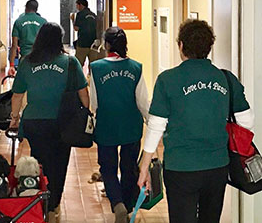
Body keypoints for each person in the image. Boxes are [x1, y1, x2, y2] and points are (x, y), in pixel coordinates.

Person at [138, 19, 254, 223]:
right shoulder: (226, 78)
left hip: (181, 169)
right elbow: (247, 121)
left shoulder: (168, 79)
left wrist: (144, 166)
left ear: (181, 45)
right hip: (217, 167)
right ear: (209, 47)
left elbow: (156, 127)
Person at [9, 22, 89, 223]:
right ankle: (53, 205)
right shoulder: (70, 63)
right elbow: (83, 93)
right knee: (60, 164)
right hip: (64, 122)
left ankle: (40, 200)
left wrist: (14, 118)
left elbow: (17, 95)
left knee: (40, 161)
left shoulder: (27, 62)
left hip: (35, 122)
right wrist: (87, 114)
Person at [90, 27, 149, 223]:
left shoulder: (96, 68)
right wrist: (152, 123)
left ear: (106, 45)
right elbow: (142, 102)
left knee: (107, 167)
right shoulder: (136, 67)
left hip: (107, 125)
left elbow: (94, 102)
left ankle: (118, 204)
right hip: (131, 126)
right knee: (128, 166)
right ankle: (129, 206)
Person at [8, 0, 47, 75]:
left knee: (24, 84)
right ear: (36, 9)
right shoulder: (43, 22)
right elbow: (47, 42)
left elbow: (14, 45)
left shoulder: (18, 21)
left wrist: (12, 65)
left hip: (25, 59)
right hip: (40, 58)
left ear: (26, 8)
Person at [70, 0, 97, 67]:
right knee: (93, 65)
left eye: (77, 5)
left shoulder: (80, 14)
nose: (76, 7)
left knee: (78, 64)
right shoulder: (94, 15)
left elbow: (76, 28)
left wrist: (73, 20)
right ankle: (90, 77)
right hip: (93, 43)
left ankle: (79, 78)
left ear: (81, 5)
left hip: (82, 43)